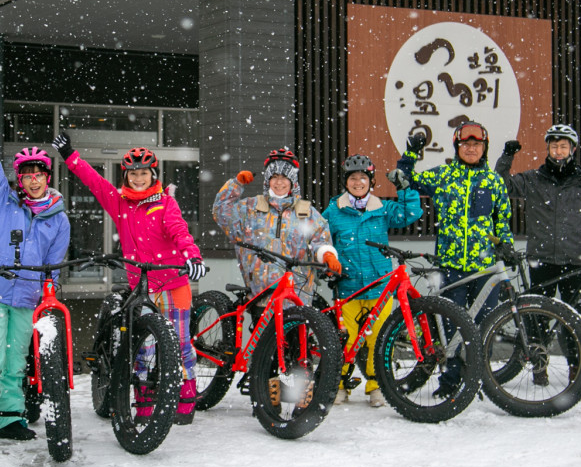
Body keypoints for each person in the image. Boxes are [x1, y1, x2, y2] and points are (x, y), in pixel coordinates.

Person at [52, 133, 206, 424]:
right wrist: (71, 156)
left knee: (182, 343)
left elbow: (179, 231)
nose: (138, 179)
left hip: (173, 282)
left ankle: (186, 399)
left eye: (143, 173)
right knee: (144, 347)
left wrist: (192, 256)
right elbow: (94, 182)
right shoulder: (120, 202)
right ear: (127, 176)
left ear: (153, 174)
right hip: (142, 285)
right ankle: (145, 403)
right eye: (133, 174)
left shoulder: (165, 203)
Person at [0, 104, 70, 449]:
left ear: (47, 177)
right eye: (26, 175)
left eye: (39, 174)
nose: (33, 180)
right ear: (20, 179)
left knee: (16, 359)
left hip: (27, 296)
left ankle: (10, 417)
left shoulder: (58, 219)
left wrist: (50, 295)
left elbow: (53, 267)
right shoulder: (4, 202)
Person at [322, 154, 422, 407]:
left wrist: (404, 187)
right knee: (346, 340)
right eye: (353, 178)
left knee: (379, 339)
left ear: (371, 181)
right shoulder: (334, 211)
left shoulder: (381, 208)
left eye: (363, 178)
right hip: (348, 288)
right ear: (346, 182)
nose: (358, 183)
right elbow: (321, 238)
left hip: (380, 287)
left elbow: (411, 213)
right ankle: (341, 385)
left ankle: (376, 386)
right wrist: (327, 262)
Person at [397, 121, 513, 320]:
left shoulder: (494, 180)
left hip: (485, 267)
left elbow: (502, 219)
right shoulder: (443, 175)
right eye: (465, 145)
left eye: (476, 145)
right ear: (457, 147)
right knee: (451, 331)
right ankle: (454, 353)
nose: (471, 149)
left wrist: (506, 246)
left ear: (484, 149)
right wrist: (411, 154)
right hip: (450, 268)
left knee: (486, 328)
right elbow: (405, 181)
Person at [495, 124, 581, 302]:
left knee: (572, 317)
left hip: (575, 260)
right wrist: (506, 157)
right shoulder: (534, 179)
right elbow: (502, 186)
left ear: (572, 149)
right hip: (542, 259)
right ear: (548, 149)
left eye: (563, 147)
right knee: (538, 315)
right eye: (554, 146)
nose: (558, 151)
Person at [213, 147, 341, 307]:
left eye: (284, 177)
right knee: (264, 332)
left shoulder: (307, 212)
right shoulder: (250, 208)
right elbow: (221, 211)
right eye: (274, 177)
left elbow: (321, 240)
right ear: (268, 180)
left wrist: (327, 255)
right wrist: (236, 185)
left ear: (292, 181)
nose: (279, 182)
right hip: (261, 296)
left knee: (296, 332)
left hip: (298, 296)